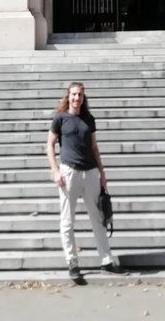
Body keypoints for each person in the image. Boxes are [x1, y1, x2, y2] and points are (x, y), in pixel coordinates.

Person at [47, 81, 119, 283]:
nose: (77, 98)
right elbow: (49, 145)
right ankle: (72, 262)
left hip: (91, 173)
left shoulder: (89, 119)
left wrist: (102, 173)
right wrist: (55, 171)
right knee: (67, 221)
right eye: (73, 94)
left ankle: (106, 260)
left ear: (83, 97)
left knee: (98, 218)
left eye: (80, 95)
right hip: (69, 171)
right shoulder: (60, 119)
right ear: (68, 96)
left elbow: (94, 148)